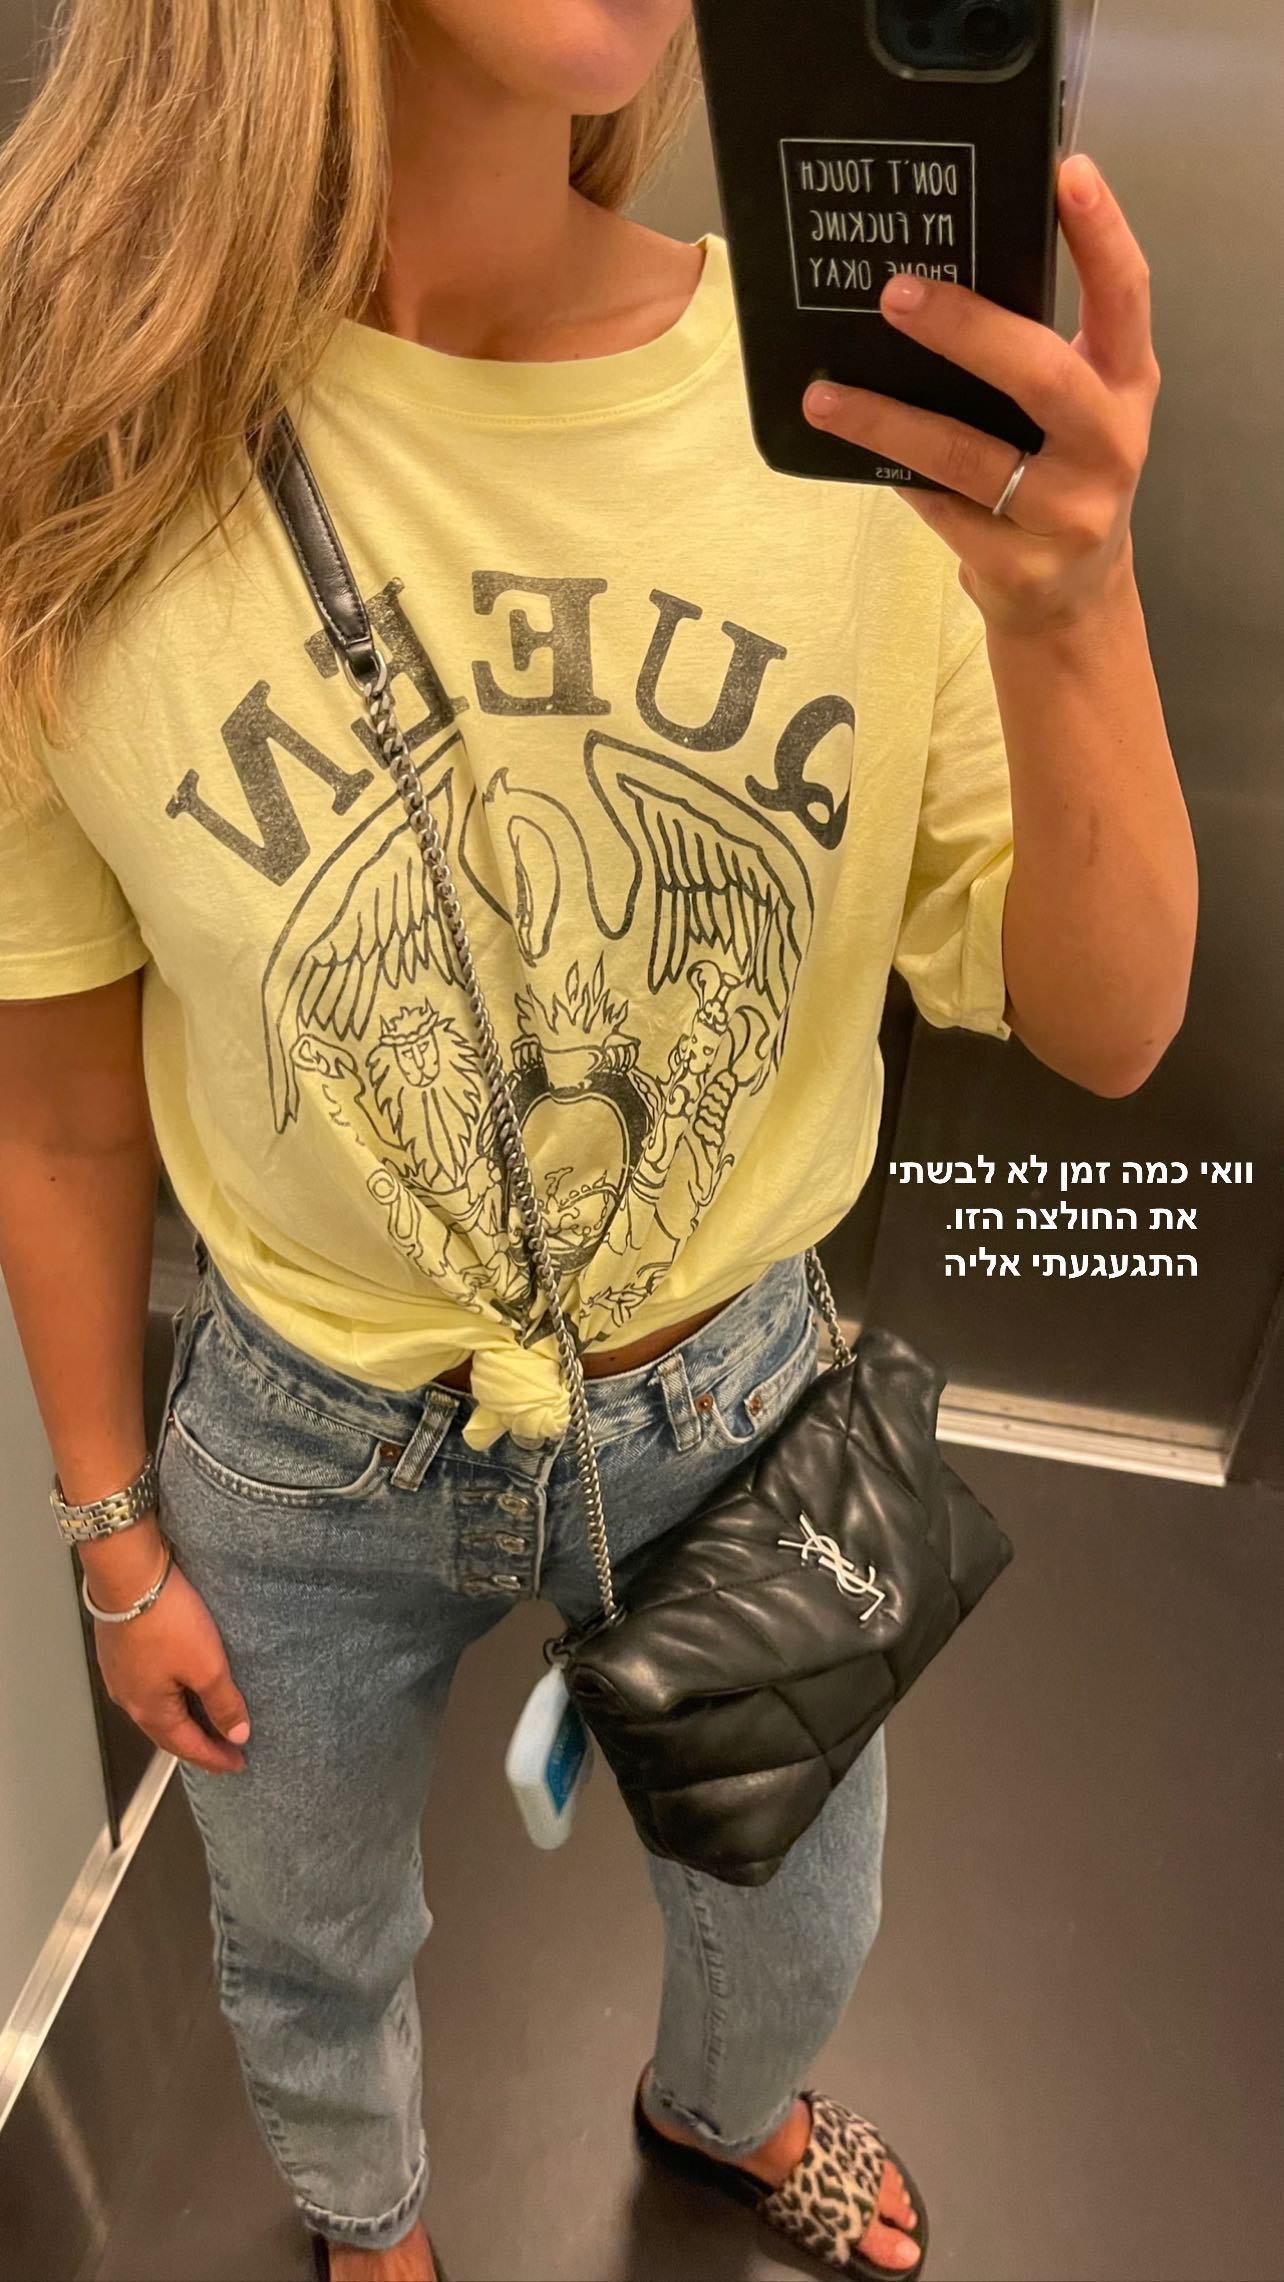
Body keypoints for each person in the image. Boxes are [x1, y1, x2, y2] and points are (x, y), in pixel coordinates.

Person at [0, 5, 1196, 2278]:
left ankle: (722, 2110)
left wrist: (1074, 605)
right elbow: (56, 1099)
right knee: (305, 1930)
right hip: (302, 1436)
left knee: (800, 1904)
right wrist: (110, 1534)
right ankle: (369, 2222)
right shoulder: (82, 441)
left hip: (732, 1399)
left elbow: (1112, 1028)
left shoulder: (849, 417)